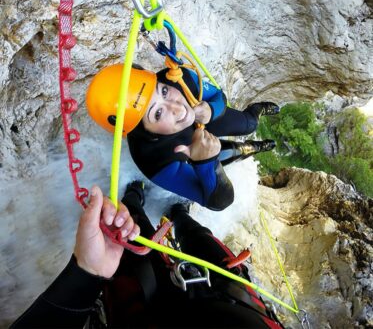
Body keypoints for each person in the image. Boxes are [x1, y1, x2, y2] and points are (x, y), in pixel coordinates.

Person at [11, 182, 284, 328]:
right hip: (236, 301)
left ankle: (134, 198)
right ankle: (178, 214)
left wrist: (86, 273)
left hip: (146, 312)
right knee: (199, 239)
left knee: (137, 249)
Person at [86, 64, 279, 211]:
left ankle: (257, 110)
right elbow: (218, 201)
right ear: (141, 130)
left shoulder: (176, 78)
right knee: (229, 151)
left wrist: (212, 110)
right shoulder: (153, 159)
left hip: (205, 114)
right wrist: (207, 163)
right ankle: (255, 147)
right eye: (158, 113)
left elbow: (219, 96)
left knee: (249, 125)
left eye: (163, 91)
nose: (178, 108)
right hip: (190, 148)